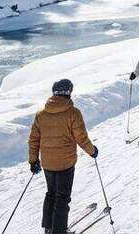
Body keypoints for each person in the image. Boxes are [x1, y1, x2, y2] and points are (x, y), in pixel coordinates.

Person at [28, 79, 97, 234]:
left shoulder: (41, 114)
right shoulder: (73, 113)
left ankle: (49, 228)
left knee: (51, 194)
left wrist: (33, 161)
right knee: (62, 197)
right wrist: (92, 151)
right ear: (68, 93)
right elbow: (81, 138)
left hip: (48, 164)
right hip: (65, 164)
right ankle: (59, 231)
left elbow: (34, 139)